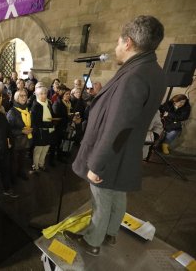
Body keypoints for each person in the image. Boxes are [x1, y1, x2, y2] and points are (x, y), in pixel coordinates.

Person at [65, 15, 166, 256]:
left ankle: (92, 241)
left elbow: (118, 126)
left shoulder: (134, 76)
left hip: (112, 152)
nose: (115, 47)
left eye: (118, 42)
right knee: (118, 194)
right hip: (126, 151)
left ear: (128, 42)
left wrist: (97, 164)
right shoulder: (152, 70)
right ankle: (110, 233)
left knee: (101, 199)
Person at [7, 89, 32, 181]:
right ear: (16, 98)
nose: (24, 97)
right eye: (21, 96)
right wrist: (22, 131)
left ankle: (21, 172)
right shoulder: (12, 112)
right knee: (14, 161)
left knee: (22, 159)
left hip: (25, 140)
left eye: (25, 95)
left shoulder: (26, 109)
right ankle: (12, 177)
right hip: (16, 141)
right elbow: (8, 130)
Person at [30, 86, 55, 173]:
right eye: (41, 94)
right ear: (37, 95)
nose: (44, 95)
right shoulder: (36, 105)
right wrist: (48, 124)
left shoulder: (48, 103)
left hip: (48, 131)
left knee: (45, 149)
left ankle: (41, 164)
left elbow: (51, 116)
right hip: (40, 132)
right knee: (38, 151)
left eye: (45, 93)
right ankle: (35, 167)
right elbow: (34, 122)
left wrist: (53, 122)